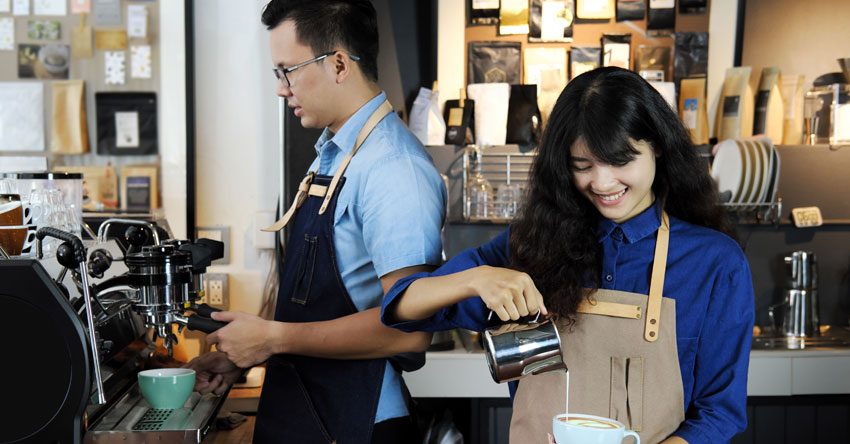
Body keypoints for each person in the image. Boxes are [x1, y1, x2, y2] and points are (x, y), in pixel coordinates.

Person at [380, 67, 754, 443]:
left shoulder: (715, 263)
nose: (602, 183)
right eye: (583, 166)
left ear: (656, 145)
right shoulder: (532, 245)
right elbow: (400, 308)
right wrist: (475, 279)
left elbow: (719, 411)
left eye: (621, 160)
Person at [185, 1, 446, 443]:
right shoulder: (339, 154)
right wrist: (251, 350)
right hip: (311, 408)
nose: (281, 88)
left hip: (356, 423)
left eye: (287, 70)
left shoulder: (393, 168)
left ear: (339, 64)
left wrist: (273, 339)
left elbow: (408, 333)